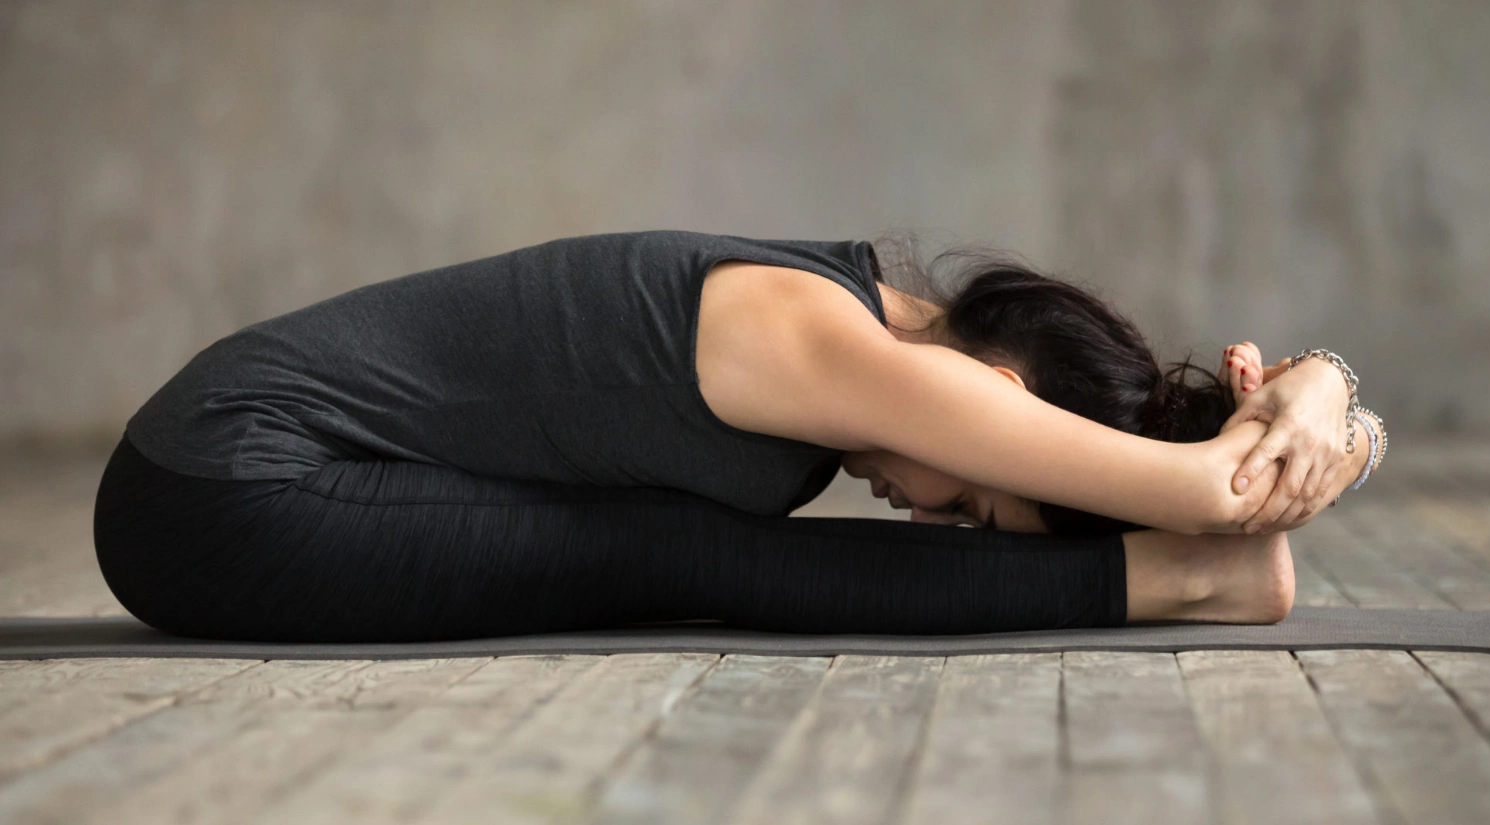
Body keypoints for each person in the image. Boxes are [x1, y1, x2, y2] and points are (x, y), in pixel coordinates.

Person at [92, 229, 1385, 643]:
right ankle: (1168, 583)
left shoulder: (859, 313)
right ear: (998, 394)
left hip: (268, 478)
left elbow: (1221, 475)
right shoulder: (832, 347)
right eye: (978, 507)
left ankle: (1176, 577)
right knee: (669, 555)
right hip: (218, 498)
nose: (938, 523)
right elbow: (1216, 486)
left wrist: (1320, 387)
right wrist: (1320, 388)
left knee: (665, 543)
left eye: (972, 528)